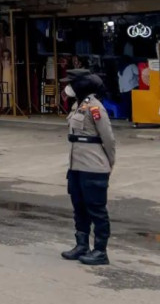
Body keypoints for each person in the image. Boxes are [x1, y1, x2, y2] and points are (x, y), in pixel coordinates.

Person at [61, 69, 116, 266]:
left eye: (71, 83)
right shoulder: (78, 105)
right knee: (79, 207)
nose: (68, 87)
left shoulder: (95, 107)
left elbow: (108, 139)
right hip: (77, 166)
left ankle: (100, 251)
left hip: (94, 166)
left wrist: (109, 163)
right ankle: (81, 245)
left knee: (97, 209)